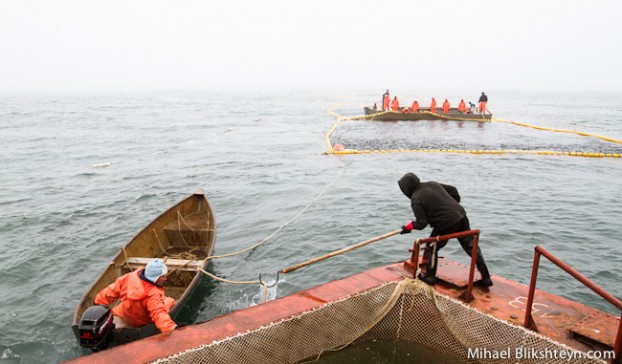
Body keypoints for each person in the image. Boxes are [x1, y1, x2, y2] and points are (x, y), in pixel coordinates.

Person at [398, 173, 493, 287]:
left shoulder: (416, 198)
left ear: (407, 189)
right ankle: (486, 278)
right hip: (461, 215)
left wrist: (408, 228)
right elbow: (453, 190)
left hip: (445, 223)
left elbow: (421, 223)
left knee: (431, 247)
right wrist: (452, 206)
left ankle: (430, 277)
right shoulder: (432, 184)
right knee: (471, 247)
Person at [94, 258, 178, 333]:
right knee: (171, 302)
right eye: (162, 276)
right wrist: (172, 329)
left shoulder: (129, 277)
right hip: (142, 322)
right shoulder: (153, 296)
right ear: (154, 278)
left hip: (122, 315)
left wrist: (97, 304)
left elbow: (110, 291)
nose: (165, 278)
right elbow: (159, 314)